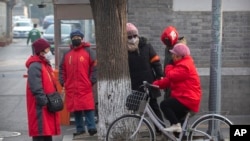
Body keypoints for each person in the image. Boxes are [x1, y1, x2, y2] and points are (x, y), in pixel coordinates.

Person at [153, 43, 202, 132]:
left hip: (188, 99)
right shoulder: (181, 65)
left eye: (173, 54)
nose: (172, 56)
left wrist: (169, 66)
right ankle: (178, 130)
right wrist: (155, 84)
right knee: (176, 121)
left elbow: (171, 76)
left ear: (179, 56)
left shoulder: (185, 66)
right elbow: (169, 80)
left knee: (165, 104)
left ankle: (176, 125)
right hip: (185, 98)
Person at [126, 23, 164, 135]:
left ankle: (160, 129)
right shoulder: (124, 50)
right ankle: (135, 131)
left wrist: (160, 76)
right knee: (136, 109)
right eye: (129, 37)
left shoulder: (146, 46)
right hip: (135, 84)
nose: (132, 39)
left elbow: (156, 63)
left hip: (148, 83)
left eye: (134, 35)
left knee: (153, 106)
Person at [59, 30, 97, 139]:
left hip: (85, 85)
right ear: (71, 39)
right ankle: (80, 129)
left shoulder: (89, 51)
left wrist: (91, 80)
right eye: (74, 37)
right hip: (71, 86)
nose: (76, 38)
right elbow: (62, 68)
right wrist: (63, 81)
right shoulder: (67, 54)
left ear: (82, 38)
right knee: (76, 109)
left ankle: (92, 128)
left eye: (78, 37)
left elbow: (95, 67)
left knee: (88, 107)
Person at [25, 39, 60, 141]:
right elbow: (36, 87)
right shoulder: (35, 66)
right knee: (40, 132)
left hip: (46, 105)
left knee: (46, 133)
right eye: (47, 49)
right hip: (40, 107)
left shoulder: (44, 64)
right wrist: (44, 101)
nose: (49, 51)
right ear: (41, 51)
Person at [160, 26, 187, 99]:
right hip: (168, 81)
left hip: (175, 84)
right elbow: (167, 63)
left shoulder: (180, 49)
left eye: (168, 42)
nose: (166, 44)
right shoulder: (168, 48)